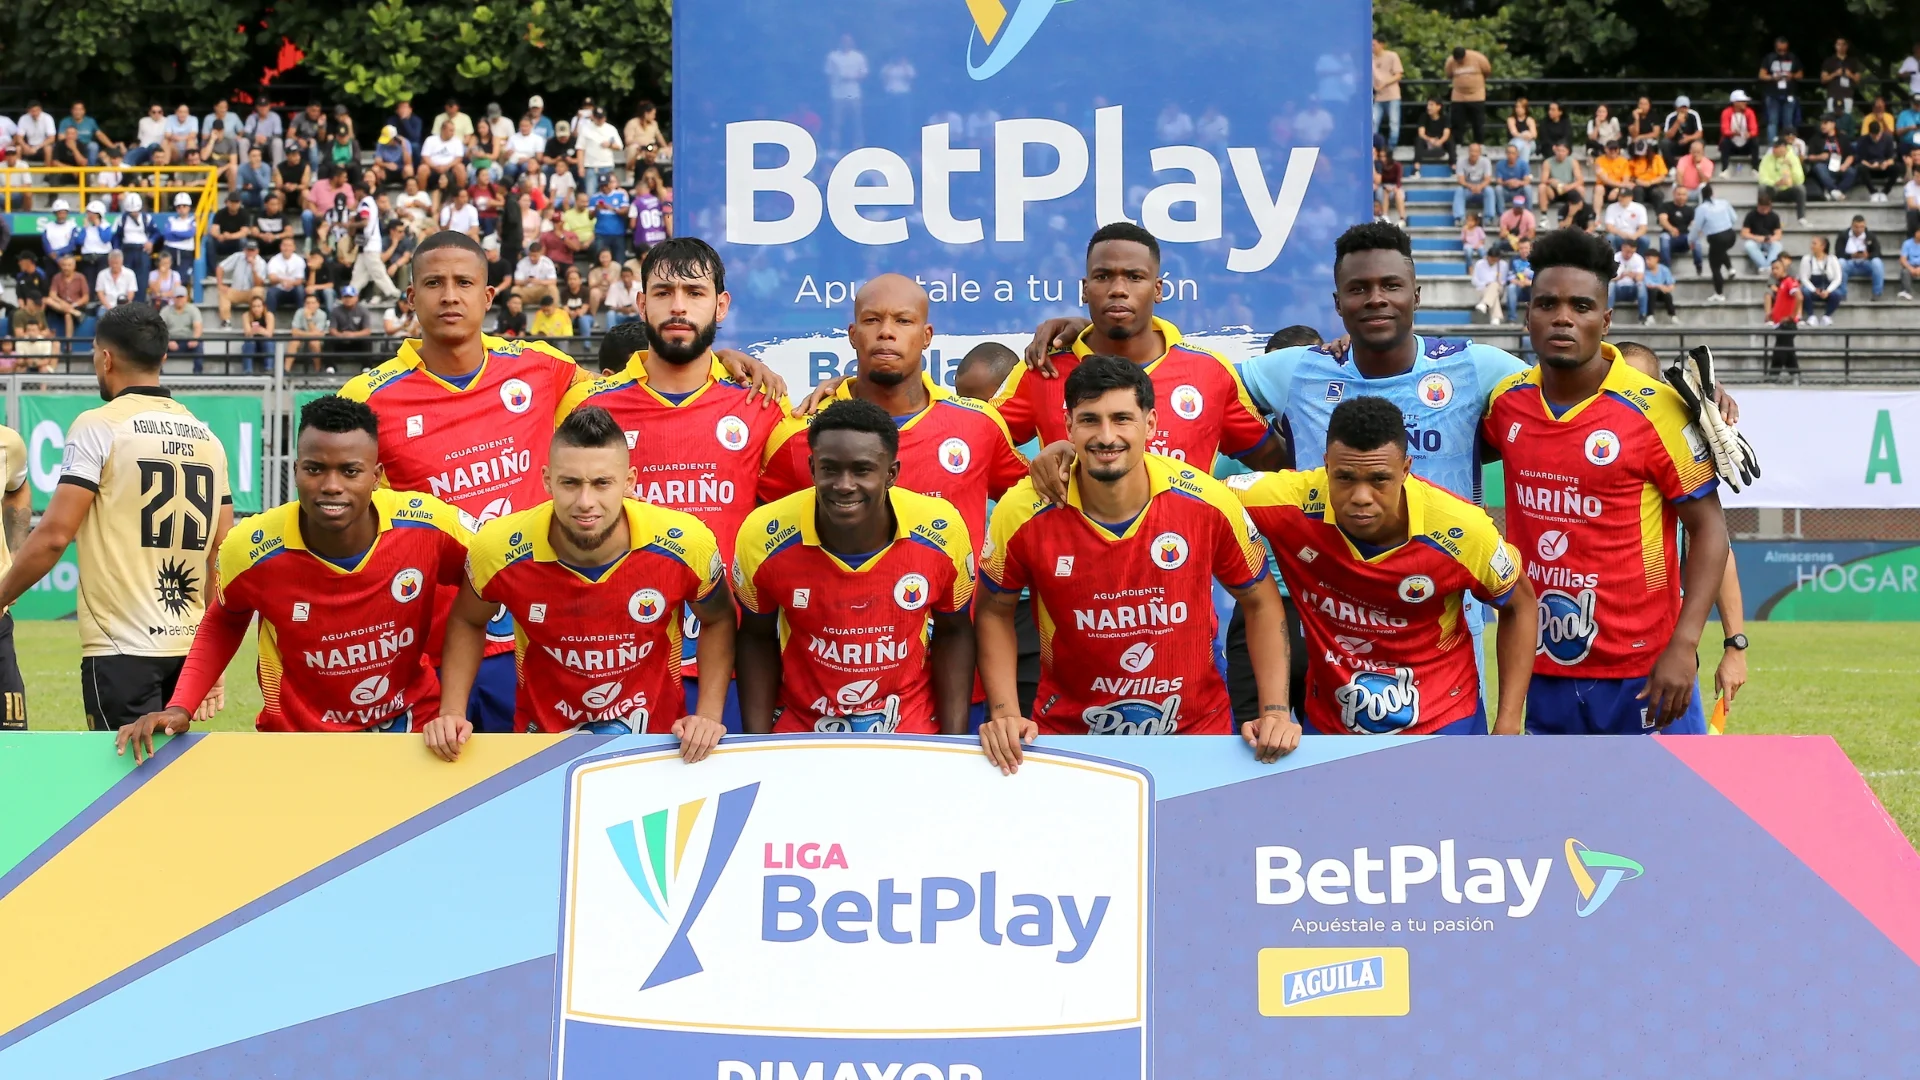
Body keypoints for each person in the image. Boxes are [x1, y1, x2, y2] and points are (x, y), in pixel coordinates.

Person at [977, 355, 1299, 767]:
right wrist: (1005, 712)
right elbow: (993, 611)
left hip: (1196, 733)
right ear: (1068, 425)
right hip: (1069, 738)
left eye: (1122, 419)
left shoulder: (1208, 501)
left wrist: (1275, 711)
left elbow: (1261, 601)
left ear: (1151, 423)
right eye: (1090, 420)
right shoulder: (1022, 510)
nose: (1106, 436)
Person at [118, 398, 472, 756]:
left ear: (376, 476)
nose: (331, 485)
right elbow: (224, 618)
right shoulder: (252, 549)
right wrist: (180, 706)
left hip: (413, 730)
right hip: (298, 743)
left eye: (350, 471)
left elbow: (486, 582)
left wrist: (453, 708)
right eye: (315, 469)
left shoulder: (429, 526)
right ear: (296, 470)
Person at [1481, 228, 1727, 734]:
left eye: (1581, 306)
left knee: (1669, 790)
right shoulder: (1506, 403)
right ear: (1527, 315)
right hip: (1543, 665)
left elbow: (1709, 530)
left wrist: (1684, 645)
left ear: (1606, 320)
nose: (1563, 317)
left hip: (1646, 669)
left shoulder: (1657, 409)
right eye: (1547, 304)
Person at [558, 239, 789, 727]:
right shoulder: (590, 406)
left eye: (695, 292)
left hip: (729, 664)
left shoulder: (761, 404)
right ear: (641, 303)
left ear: (720, 306)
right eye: (664, 292)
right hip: (616, 667)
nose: (678, 306)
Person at [423, 406, 732, 758]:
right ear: (547, 480)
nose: (586, 502)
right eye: (570, 483)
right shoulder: (498, 549)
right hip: (541, 746)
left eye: (602, 483)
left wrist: (708, 715)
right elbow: (468, 618)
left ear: (629, 481)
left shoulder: (685, 543)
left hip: (657, 744)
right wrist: (452, 711)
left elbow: (719, 618)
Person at [1229, 396, 1533, 735]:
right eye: (1345, 478)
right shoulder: (1287, 501)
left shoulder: (1461, 530)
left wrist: (1508, 723)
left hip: (1443, 724)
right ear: (1327, 465)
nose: (1361, 497)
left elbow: (1520, 605)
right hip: (1331, 726)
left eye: (1379, 479)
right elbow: (1198, 498)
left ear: (1405, 469)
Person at [0, 305, 232, 731]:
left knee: (126, 772)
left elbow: (54, 536)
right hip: (188, 650)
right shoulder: (208, 438)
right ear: (163, 357)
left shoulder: (98, 426)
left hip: (121, 648)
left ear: (105, 358)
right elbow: (221, 548)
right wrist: (210, 655)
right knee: (173, 772)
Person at [735, 399, 976, 734]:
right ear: (812, 468)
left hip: (910, 726)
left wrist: (953, 743)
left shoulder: (941, 529)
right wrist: (758, 744)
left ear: (891, 474)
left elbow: (955, 630)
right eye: (830, 469)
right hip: (802, 727)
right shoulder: (762, 534)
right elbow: (756, 636)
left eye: (862, 470)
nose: (844, 485)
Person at [766, 273, 1028, 576]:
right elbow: (755, 537)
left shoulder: (978, 424)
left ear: (927, 336)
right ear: (853, 334)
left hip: (955, 608)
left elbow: (1036, 505)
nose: (886, 332)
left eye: (903, 321)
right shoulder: (799, 433)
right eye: (872, 320)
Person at [991, 223, 1283, 480]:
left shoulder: (1210, 371)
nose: (1118, 289)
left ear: (1158, 289)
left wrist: (1219, 504)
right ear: (1085, 289)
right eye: (1103, 276)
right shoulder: (1044, 368)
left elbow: (1275, 462)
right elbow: (976, 442)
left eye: (1134, 276)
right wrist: (1036, 483)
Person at [1691, 184, 1740, 301]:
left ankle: (1719, 293)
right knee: (1720, 250)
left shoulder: (1701, 209)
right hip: (1730, 235)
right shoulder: (1724, 203)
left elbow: (1696, 227)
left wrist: (1692, 240)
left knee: (1715, 266)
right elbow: (1734, 218)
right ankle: (1730, 269)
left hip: (1716, 238)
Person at [1759, 36, 1804, 143]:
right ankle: (1773, 146)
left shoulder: (1792, 58)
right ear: (1776, 47)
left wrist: (1792, 76)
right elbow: (1761, 75)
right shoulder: (1769, 58)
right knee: (1772, 122)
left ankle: (1788, 146)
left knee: (1788, 122)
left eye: (1784, 49)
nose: (1782, 52)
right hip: (1772, 93)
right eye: (1780, 49)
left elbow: (1800, 74)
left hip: (1789, 93)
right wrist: (1773, 77)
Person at [1444, 45, 1491, 146]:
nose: (1459, 62)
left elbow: (1487, 71)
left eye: (1461, 59)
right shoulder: (1450, 61)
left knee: (1478, 122)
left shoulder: (1478, 58)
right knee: (1457, 122)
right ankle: (1457, 143)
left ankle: (1479, 144)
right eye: (1457, 60)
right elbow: (1448, 74)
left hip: (1477, 95)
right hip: (1458, 96)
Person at [1766, 252, 1803, 379]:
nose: (1774, 271)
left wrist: (1792, 316)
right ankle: (1796, 375)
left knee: (1779, 352)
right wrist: (1772, 313)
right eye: (1772, 269)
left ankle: (1773, 376)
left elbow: (1799, 297)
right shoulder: (1781, 284)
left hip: (1787, 324)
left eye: (1777, 268)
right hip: (1780, 324)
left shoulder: (1789, 281)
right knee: (1788, 352)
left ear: (1784, 269)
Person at [1806, 115, 1859, 201]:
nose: (1822, 126)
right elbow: (1809, 157)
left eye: (1825, 123)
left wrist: (1845, 165)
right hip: (1824, 166)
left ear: (1833, 124)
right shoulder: (1816, 138)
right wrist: (1819, 157)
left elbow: (1851, 155)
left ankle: (1835, 192)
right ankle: (1834, 190)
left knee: (1852, 172)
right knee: (1819, 167)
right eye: (1821, 123)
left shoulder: (1842, 137)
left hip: (1840, 165)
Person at [1758, 137, 1810, 224]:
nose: (1774, 150)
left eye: (1777, 148)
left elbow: (1799, 180)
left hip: (1787, 190)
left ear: (1784, 149)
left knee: (1800, 188)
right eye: (1774, 148)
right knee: (1762, 188)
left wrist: (1791, 167)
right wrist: (1775, 183)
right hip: (1773, 189)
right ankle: (1763, 217)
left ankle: (1801, 218)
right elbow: (1762, 178)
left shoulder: (1793, 158)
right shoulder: (1767, 158)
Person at [1837, 215, 1885, 301]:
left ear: (1865, 226)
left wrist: (1868, 255)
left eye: (1861, 227)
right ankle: (1842, 294)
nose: (1859, 230)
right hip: (1849, 264)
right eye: (1856, 227)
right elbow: (1838, 253)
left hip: (1866, 264)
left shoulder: (1870, 236)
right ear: (1852, 226)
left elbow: (1878, 252)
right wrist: (1851, 255)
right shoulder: (1843, 235)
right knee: (1840, 262)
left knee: (1877, 262)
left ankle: (1877, 293)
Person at [1655, 185, 1700, 273]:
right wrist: (1671, 229)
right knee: (1664, 237)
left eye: (1683, 194)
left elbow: (1693, 224)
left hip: (1684, 239)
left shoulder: (1690, 210)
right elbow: (1662, 220)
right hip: (1670, 238)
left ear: (1687, 196)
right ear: (1674, 194)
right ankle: (1666, 269)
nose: (1681, 197)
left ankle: (1699, 265)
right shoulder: (1665, 206)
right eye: (1679, 194)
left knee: (1695, 239)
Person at [1801, 235, 1844, 325]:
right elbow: (1804, 278)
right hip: (1813, 288)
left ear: (1823, 246)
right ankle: (1811, 316)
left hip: (1827, 288)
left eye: (1814, 244)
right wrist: (1814, 290)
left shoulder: (1832, 259)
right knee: (1804, 292)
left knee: (1837, 294)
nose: (1811, 246)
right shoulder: (1807, 259)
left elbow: (1837, 278)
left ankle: (1827, 316)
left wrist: (1828, 291)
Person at [1537, 143, 1585, 219]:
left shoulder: (1573, 161)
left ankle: (1578, 214)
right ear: (1555, 150)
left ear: (1567, 152)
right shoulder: (1547, 162)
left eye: (1563, 151)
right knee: (1541, 187)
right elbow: (1543, 180)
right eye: (1558, 150)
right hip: (1554, 190)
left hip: (1568, 189)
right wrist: (1552, 181)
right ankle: (1544, 216)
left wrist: (1569, 187)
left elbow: (1580, 180)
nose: (1560, 153)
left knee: (1580, 189)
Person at [1453, 142, 1496, 224]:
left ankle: (1489, 218)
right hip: (1468, 189)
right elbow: (1461, 180)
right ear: (1468, 152)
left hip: (1481, 189)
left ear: (1479, 153)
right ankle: (1459, 218)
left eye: (1476, 151)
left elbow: (1487, 179)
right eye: (1471, 151)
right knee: (1459, 190)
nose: (1473, 154)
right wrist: (1470, 186)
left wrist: (1480, 187)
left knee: (1489, 190)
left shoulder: (1485, 161)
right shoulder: (1461, 161)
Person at [1372, 39, 1404, 148]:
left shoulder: (1392, 56)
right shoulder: (1370, 58)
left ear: (1381, 44)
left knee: (1394, 123)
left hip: (1392, 95)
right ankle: (1373, 146)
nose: (1372, 47)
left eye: (1374, 44)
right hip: (1378, 96)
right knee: (1373, 121)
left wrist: (1385, 83)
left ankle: (1391, 147)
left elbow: (1399, 75)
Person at [1741, 193, 1784, 274]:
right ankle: (1767, 267)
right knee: (1748, 245)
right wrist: (1756, 237)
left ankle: (1765, 267)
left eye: (1766, 208)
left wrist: (1772, 238)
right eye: (1762, 208)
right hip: (1755, 241)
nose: (1764, 211)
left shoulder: (1774, 216)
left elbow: (1778, 234)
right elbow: (1744, 233)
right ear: (1758, 206)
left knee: (1778, 245)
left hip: (1769, 242)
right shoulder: (1751, 215)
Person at [1855, 122, 1900, 200]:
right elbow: (1861, 159)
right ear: (1870, 133)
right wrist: (1870, 166)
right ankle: (1873, 192)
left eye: (1878, 135)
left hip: (1883, 167)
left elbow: (1891, 158)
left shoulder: (1888, 138)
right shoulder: (1862, 140)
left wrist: (1885, 163)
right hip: (1869, 167)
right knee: (1860, 168)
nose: (1876, 138)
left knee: (1896, 167)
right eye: (1874, 136)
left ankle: (1885, 192)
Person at [1719, 91, 1762, 171]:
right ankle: (1725, 169)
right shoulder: (1726, 112)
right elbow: (1724, 130)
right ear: (1735, 103)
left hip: (1745, 144)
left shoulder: (1750, 112)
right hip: (1732, 144)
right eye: (1743, 101)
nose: (1745, 103)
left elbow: (1754, 129)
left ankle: (1755, 168)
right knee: (1724, 142)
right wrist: (1733, 133)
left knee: (1755, 141)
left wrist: (1750, 134)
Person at [287, 292, 329, 371]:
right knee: (294, 342)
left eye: (313, 303)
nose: (310, 305)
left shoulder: (322, 314)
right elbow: (294, 332)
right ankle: (286, 370)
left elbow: (318, 334)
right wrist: (311, 334)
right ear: (304, 304)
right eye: (308, 303)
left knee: (314, 342)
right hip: (301, 338)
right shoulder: (299, 312)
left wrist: (309, 318)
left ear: (318, 304)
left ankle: (318, 370)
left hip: (315, 340)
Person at [1611, 238, 1649, 322]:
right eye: (1627, 252)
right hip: (1618, 289)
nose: (1629, 255)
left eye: (1632, 252)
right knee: (1611, 285)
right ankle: (1607, 316)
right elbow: (1610, 278)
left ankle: (1643, 315)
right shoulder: (1615, 257)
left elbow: (1640, 278)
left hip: (1632, 290)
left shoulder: (1638, 259)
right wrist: (1621, 276)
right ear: (1622, 248)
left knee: (1641, 284)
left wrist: (1633, 275)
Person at [1601, 186, 1647, 254]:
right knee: (1610, 238)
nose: (1621, 199)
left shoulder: (1640, 208)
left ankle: (1640, 259)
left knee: (1645, 240)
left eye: (1624, 197)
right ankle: (1613, 259)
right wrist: (1622, 234)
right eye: (1620, 196)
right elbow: (1609, 227)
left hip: (1634, 236)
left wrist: (1634, 236)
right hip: (1618, 235)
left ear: (1631, 198)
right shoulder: (1611, 207)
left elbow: (1643, 228)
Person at [1822, 39, 1861, 116]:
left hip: (1847, 95)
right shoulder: (1829, 61)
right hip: (1833, 95)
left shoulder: (1852, 61)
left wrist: (1850, 75)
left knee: (1846, 117)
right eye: (1838, 44)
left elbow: (1858, 80)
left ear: (1847, 46)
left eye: (1843, 44)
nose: (1841, 47)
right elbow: (1823, 79)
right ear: (1835, 46)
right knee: (1831, 118)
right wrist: (1835, 74)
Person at [1660, 96, 1705, 163]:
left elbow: (1699, 133)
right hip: (1675, 143)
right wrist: (1677, 123)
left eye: (1685, 107)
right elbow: (1667, 136)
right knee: (1664, 143)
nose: (1683, 110)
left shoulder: (1694, 115)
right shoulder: (1670, 117)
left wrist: (1688, 138)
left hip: (1690, 143)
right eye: (1681, 107)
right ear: (1676, 108)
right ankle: (1671, 166)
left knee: (1699, 142)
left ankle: (1696, 163)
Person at [1471, 247, 1507, 322]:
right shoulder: (1479, 264)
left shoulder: (1503, 265)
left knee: (1494, 285)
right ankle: (1496, 318)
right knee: (1494, 293)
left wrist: (1497, 283)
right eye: (1491, 259)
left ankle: (1484, 304)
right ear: (1487, 256)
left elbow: (1504, 281)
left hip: (1498, 288)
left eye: (1495, 260)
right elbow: (1474, 280)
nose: (1493, 261)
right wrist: (1485, 284)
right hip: (1483, 289)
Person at [1642, 249, 1676, 322]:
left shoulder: (1664, 269)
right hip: (1648, 293)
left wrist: (1668, 289)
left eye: (1649, 259)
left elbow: (1671, 284)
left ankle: (1673, 316)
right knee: (1653, 291)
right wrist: (1660, 286)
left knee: (1667, 295)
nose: (1647, 262)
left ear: (1656, 259)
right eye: (1646, 259)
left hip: (1660, 292)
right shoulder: (1644, 270)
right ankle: (1650, 315)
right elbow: (1648, 284)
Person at [1414, 100, 1452, 165]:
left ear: (1438, 107)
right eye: (1428, 105)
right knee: (1419, 140)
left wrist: (1440, 141)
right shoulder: (1423, 116)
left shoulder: (1445, 118)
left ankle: (1453, 164)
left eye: (1431, 105)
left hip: (1440, 140)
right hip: (1427, 140)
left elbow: (1446, 134)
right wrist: (1430, 139)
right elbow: (1421, 134)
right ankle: (1417, 165)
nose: (1428, 107)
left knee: (1450, 140)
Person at [1900, 224, 1920, 300]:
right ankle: (1907, 292)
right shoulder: (1907, 243)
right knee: (1905, 272)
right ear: (1916, 233)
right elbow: (1903, 260)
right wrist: (1911, 269)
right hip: (1910, 266)